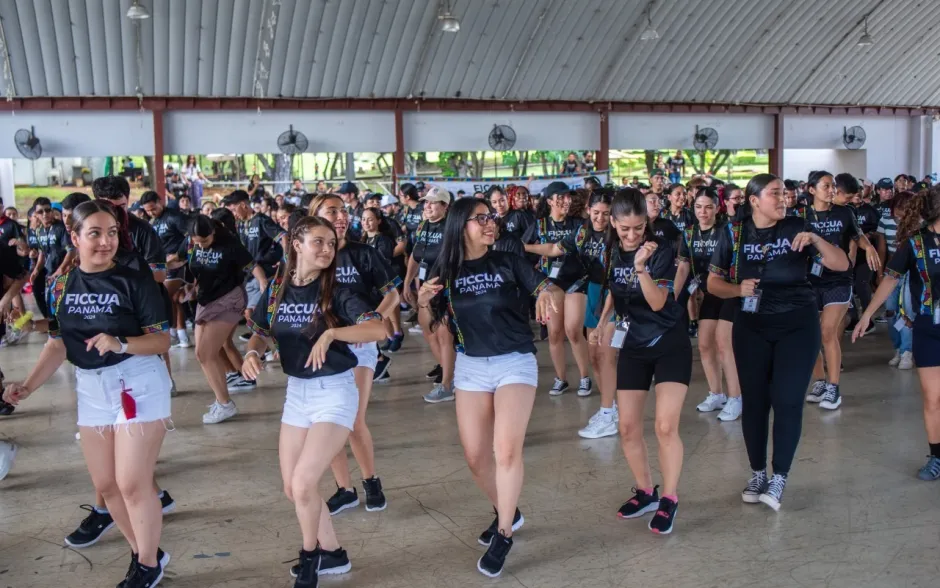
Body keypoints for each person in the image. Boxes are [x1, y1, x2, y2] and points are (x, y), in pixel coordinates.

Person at [4, 200, 174, 587]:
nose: (105, 242)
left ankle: (146, 566)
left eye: (111, 232)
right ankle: (145, 553)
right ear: (74, 237)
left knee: (132, 482)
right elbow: (60, 341)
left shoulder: (135, 280)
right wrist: (27, 386)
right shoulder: (61, 284)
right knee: (107, 484)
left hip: (138, 382)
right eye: (94, 233)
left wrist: (121, 343)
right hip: (92, 387)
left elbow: (161, 339)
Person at [416, 197, 562, 577]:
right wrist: (421, 303)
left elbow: (546, 287)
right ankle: (509, 509)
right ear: (460, 225)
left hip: (514, 360)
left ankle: (503, 533)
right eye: (480, 218)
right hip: (471, 366)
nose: (490, 223)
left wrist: (546, 293)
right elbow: (431, 320)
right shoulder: (444, 270)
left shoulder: (510, 261)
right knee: (475, 456)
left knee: (505, 450)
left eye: (491, 217)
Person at [241, 216, 386, 586]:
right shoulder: (277, 289)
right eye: (318, 242)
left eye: (331, 243)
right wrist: (252, 354)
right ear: (296, 244)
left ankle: (310, 558)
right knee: (293, 488)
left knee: (305, 484)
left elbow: (377, 327)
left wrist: (332, 333)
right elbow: (259, 332)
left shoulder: (336, 289)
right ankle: (334, 553)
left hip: (335, 392)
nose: (326, 249)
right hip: (298, 394)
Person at [708, 173, 849, 511]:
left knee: (787, 401)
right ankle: (758, 473)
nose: (784, 199)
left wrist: (815, 239)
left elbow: (841, 264)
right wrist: (737, 290)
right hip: (751, 325)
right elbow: (713, 282)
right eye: (775, 194)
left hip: (797, 325)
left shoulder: (799, 228)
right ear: (754, 200)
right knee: (755, 402)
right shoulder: (734, 232)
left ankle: (780, 476)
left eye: (785, 193)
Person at [591, 188, 689, 535]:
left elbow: (660, 302)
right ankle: (646, 491)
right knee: (628, 428)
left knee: (665, 427)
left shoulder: (660, 252)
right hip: (633, 344)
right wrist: (604, 322)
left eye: (638, 228)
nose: (632, 235)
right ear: (613, 223)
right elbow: (615, 293)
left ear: (646, 223)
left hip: (669, 343)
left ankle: (670, 498)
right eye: (624, 229)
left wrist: (641, 267)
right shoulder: (610, 248)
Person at [308, 194, 400, 515]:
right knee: (329, 421)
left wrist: (373, 319)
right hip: (324, 348)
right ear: (315, 217)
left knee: (354, 421)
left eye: (344, 210)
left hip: (360, 345)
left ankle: (371, 481)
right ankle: (344, 489)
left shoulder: (364, 253)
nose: (341, 216)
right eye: (332, 211)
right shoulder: (311, 258)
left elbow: (393, 293)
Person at [853, 184, 940, 480]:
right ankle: (936, 456)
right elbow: (890, 280)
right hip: (929, 329)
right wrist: (867, 314)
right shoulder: (916, 243)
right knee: (932, 399)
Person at [802, 171, 880, 410]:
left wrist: (869, 249)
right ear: (812, 190)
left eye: (833, 185)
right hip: (810, 281)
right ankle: (820, 381)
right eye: (826, 185)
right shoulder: (802, 215)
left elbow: (858, 236)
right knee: (812, 335)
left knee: (827, 331)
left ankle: (834, 388)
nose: (832, 189)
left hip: (839, 280)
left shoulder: (845, 212)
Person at [178, 215, 266, 424]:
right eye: (196, 241)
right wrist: (190, 286)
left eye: (204, 241)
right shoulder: (192, 243)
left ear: (213, 232)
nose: (200, 244)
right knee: (204, 355)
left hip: (229, 299)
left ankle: (225, 404)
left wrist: (263, 283)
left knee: (204, 353)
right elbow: (183, 261)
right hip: (205, 300)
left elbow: (252, 265)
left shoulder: (229, 244)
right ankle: (223, 400)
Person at [675, 187, 742, 421]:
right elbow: (683, 267)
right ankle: (717, 393)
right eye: (698, 207)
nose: (703, 212)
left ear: (717, 208)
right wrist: (673, 297)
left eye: (708, 207)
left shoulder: (727, 231)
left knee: (724, 344)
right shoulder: (689, 234)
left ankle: (736, 398)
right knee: (704, 344)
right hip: (707, 293)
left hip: (729, 291)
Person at [524, 184, 593, 396]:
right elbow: (522, 249)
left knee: (573, 330)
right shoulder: (539, 225)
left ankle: (585, 377)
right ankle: (561, 379)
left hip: (577, 281)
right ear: (550, 201)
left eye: (568, 197)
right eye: (560, 197)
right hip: (551, 284)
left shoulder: (578, 224)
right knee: (554, 334)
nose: (565, 201)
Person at [403, 187, 455, 402]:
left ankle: (448, 385)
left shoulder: (451, 228)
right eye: (426, 202)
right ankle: (448, 370)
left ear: (445, 206)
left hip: (445, 287)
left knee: (445, 335)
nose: (428, 206)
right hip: (425, 288)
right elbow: (416, 256)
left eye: (434, 203)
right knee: (428, 331)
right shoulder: (423, 225)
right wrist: (408, 283)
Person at [140, 191, 192, 349]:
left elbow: (191, 235)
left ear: (160, 202)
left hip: (180, 264)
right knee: (174, 299)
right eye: (147, 210)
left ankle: (171, 332)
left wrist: (178, 255)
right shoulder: (153, 222)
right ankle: (180, 335)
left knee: (165, 296)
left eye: (153, 208)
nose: (151, 212)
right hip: (164, 265)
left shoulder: (175, 217)